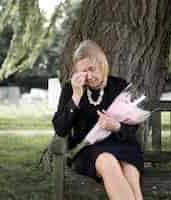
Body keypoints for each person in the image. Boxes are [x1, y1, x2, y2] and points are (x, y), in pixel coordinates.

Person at [52, 40, 144, 200]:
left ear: (102, 64)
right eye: (83, 72)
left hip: (122, 146)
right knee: (108, 162)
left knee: (129, 171)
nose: (88, 76)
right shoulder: (71, 89)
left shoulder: (119, 85)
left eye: (91, 69)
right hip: (89, 150)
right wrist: (76, 96)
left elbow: (132, 128)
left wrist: (116, 126)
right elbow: (60, 129)